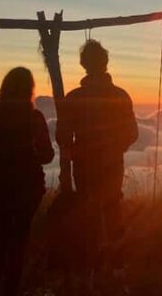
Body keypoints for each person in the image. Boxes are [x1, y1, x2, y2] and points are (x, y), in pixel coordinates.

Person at [56, 39, 138, 278]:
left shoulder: (73, 98)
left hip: (84, 166)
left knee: (88, 214)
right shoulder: (121, 96)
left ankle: (89, 267)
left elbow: (62, 135)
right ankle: (116, 267)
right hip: (113, 165)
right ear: (105, 63)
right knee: (113, 210)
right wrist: (116, 148)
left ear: (84, 65)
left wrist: (74, 151)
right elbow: (132, 133)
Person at [0, 67, 55, 296]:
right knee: (20, 240)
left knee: (1, 239)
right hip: (28, 190)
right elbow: (47, 156)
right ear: (30, 90)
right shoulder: (34, 117)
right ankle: (12, 289)